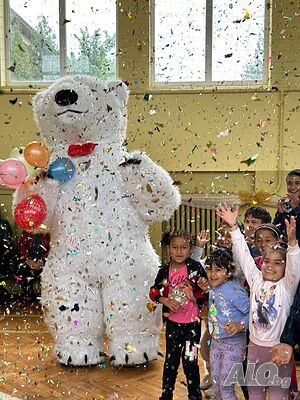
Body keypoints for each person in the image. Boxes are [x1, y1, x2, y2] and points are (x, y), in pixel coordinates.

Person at [217, 204, 300, 400]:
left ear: (286, 267)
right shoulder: (255, 280)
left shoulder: (287, 286)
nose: (270, 266)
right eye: (267, 261)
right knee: (254, 394)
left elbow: (295, 266)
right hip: (254, 348)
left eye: (277, 262)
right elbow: (245, 256)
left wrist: (293, 243)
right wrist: (234, 228)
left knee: (278, 396)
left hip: (278, 351)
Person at [149, 230, 207, 400]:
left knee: (190, 361)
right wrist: (164, 300)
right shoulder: (165, 270)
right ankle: (166, 394)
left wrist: (196, 294)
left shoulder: (195, 268)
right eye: (175, 247)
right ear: (168, 249)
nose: (179, 251)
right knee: (171, 361)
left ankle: (194, 395)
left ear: (190, 250)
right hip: (173, 323)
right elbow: (153, 292)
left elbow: (206, 295)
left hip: (192, 324)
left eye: (184, 247)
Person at [197, 247, 250, 399]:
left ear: (228, 273)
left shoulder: (235, 291)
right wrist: (206, 291)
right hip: (216, 342)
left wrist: (240, 325)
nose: (212, 274)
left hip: (234, 345)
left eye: (218, 270)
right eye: (210, 269)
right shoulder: (213, 286)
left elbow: (253, 313)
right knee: (216, 383)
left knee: (226, 387)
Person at [18, 230, 50, 300]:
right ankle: (29, 296)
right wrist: (27, 260)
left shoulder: (47, 233)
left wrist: (42, 260)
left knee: (47, 273)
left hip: (44, 262)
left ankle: (46, 298)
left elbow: (49, 249)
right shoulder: (26, 232)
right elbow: (22, 246)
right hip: (29, 260)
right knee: (22, 274)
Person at [273, 169, 300, 245]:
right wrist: (280, 213)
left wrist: (296, 209)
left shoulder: (294, 206)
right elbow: (275, 231)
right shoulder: (286, 205)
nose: (292, 187)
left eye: (297, 183)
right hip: (286, 250)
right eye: (289, 183)